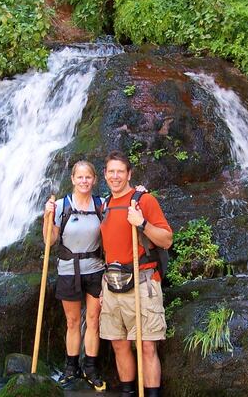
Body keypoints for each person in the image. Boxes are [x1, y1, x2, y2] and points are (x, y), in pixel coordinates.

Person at [99, 150, 173, 397]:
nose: (116, 176)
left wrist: (142, 223)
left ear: (129, 174)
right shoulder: (104, 205)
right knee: (119, 344)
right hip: (111, 285)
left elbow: (167, 240)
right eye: (111, 171)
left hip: (143, 283)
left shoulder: (143, 201)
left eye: (120, 171)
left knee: (147, 346)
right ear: (105, 175)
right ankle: (128, 392)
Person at [44, 160, 106, 391]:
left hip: (96, 269)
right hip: (69, 270)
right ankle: (71, 367)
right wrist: (46, 218)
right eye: (79, 177)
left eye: (88, 177)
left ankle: (90, 366)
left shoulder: (101, 205)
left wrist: (138, 194)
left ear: (94, 180)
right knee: (72, 321)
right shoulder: (61, 206)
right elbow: (49, 241)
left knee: (93, 321)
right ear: (72, 179)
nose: (83, 181)